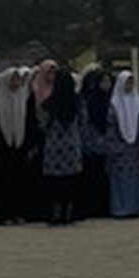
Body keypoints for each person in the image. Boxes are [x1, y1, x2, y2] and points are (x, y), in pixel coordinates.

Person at [38, 67, 82, 226]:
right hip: (72, 147)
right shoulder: (77, 102)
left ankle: (56, 214)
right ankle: (69, 213)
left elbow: (42, 125)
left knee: (55, 182)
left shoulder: (49, 103)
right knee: (70, 181)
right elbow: (82, 123)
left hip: (54, 148)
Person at [0, 68, 31, 224]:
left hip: (20, 146)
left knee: (20, 182)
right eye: (12, 79)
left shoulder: (24, 97)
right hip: (4, 148)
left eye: (17, 79)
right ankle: (4, 214)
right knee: (4, 182)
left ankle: (19, 213)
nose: (15, 83)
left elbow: (29, 123)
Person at [105, 70, 139, 218]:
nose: (129, 85)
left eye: (131, 82)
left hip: (134, 149)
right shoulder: (114, 104)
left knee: (134, 179)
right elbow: (111, 126)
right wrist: (115, 146)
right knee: (120, 180)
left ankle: (134, 208)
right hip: (120, 148)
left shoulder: (137, 102)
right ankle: (120, 208)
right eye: (127, 82)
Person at [78, 67, 113, 220]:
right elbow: (86, 124)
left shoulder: (112, 100)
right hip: (91, 145)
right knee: (91, 177)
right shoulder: (88, 100)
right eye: (103, 81)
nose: (106, 85)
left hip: (108, 145)